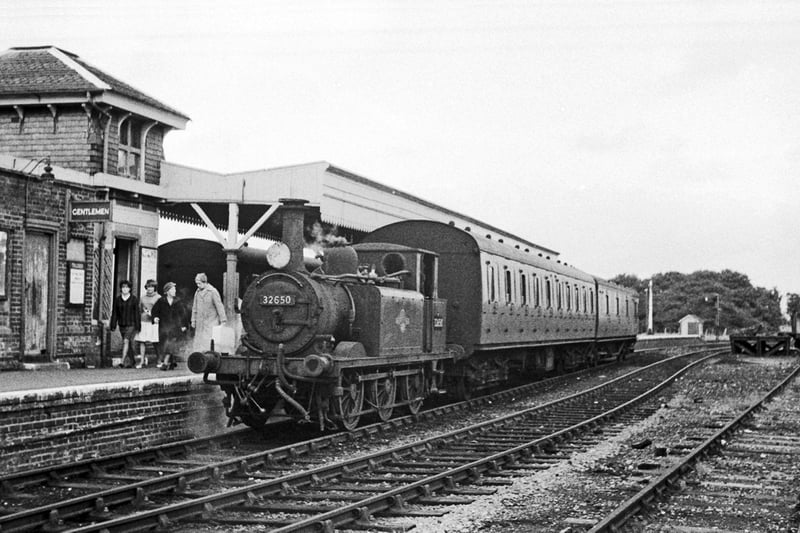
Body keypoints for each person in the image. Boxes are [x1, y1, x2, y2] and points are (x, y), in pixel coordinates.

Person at [151, 281, 188, 370]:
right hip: (164, 326)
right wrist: (155, 318)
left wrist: (184, 325)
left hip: (175, 326)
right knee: (164, 344)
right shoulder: (161, 301)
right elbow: (154, 311)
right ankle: (172, 362)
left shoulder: (178, 301)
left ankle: (165, 362)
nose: (174, 291)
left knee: (171, 343)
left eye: (174, 289)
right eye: (172, 289)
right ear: (167, 291)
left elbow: (183, 314)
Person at [191, 273, 226, 352]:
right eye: (197, 284)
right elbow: (194, 308)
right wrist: (193, 320)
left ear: (204, 282)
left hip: (211, 322)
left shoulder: (212, 291)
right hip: (200, 323)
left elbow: (219, 306)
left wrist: (223, 320)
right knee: (199, 343)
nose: (198, 285)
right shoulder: (197, 293)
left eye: (199, 283)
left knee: (209, 343)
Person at [109, 280, 140, 368]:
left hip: (131, 324)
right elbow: (115, 313)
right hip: (122, 324)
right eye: (123, 287)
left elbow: (136, 313)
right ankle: (132, 361)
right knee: (128, 343)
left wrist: (138, 325)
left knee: (126, 341)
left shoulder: (134, 299)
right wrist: (113, 324)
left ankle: (122, 361)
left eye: (127, 287)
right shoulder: (118, 300)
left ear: (130, 289)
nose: (125, 289)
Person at [133, 279, 160, 368]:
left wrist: (153, 314)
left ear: (154, 288)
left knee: (155, 341)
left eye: (152, 287)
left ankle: (159, 360)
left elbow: (160, 310)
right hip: (143, 321)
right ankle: (142, 361)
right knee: (142, 341)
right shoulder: (142, 298)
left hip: (153, 322)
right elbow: (139, 309)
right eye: (148, 286)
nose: (150, 288)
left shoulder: (158, 297)